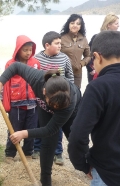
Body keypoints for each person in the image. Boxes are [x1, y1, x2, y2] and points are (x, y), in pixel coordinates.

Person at [0, 63, 81, 186]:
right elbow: (16, 66)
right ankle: (46, 183)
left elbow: (51, 128)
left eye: (56, 107)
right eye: (52, 105)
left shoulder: (69, 101)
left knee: (75, 140)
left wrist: (24, 133)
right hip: (44, 107)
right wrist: (0, 83)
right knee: (48, 142)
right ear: (44, 92)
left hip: (69, 112)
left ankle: (89, 168)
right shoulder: (37, 78)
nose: (54, 108)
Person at [68, 31, 120, 186]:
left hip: (108, 170)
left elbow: (77, 136)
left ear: (97, 57)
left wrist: (83, 165)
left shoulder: (99, 87)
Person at [33, 31, 74, 165]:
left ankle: (58, 153)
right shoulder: (37, 59)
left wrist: (67, 94)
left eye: (60, 43)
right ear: (47, 45)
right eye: (57, 44)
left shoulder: (64, 58)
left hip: (59, 100)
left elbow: (70, 77)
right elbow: (34, 79)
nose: (60, 46)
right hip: (42, 100)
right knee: (40, 123)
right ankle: (37, 148)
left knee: (58, 126)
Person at [3, 35, 40, 163]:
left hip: (33, 103)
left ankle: (28, 152)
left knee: (31, 129)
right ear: (18, 49)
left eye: (30, 50)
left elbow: (39, 82)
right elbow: (6, 85)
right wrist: (6, 104)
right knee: (14, 129)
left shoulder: (35, 63)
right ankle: (10, 153)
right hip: (16, 104)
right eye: (25, 50)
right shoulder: (10, 64)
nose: (28, 53)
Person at [86, 13, 119, 82]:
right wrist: (91, 69)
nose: (118, 26)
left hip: (112, 72)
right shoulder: (96, 37)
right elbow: (89, 55)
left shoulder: (117, 39)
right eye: (116, 24)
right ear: (109, 25)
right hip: (96, 72)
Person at [60, 14, 90, 88]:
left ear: (81, 26)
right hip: (63, 73)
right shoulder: (61, 38)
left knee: (76, 95)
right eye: (72, 23)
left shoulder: (83, 39)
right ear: (68, 24)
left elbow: (89, 55)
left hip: (77, 74)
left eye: (78, 24)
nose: (75, 25)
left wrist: (81, 63)